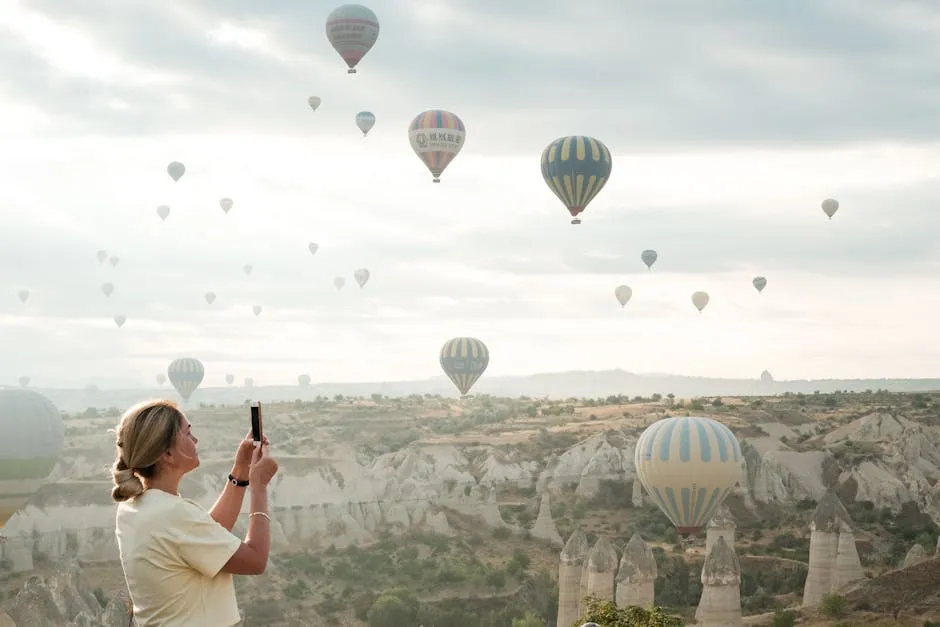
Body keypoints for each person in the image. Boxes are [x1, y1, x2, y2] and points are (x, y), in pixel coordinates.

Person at [111, 399, 279, 626]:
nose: (195, 440)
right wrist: (259, 488)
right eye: (188, 433)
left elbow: (205, 535)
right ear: (167, 454)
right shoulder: (172, 514)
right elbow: (255, 560)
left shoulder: (135, 507)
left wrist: (241, 470)